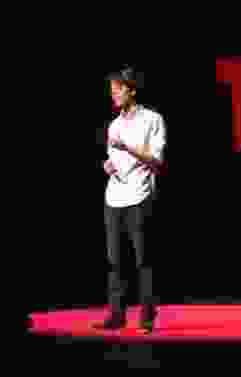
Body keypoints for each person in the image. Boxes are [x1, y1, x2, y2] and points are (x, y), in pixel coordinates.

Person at [93, 66, 166, 333]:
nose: (113, 93)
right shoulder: (113, 125)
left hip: (140, 196)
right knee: (114, 261)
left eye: (119, 88)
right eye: (111, 89)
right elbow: (115, 159)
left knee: (143, 259)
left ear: (132, 90)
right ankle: (116, 315)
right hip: (113, 197)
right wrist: (107, 166)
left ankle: (147, 316)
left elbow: (157, 159)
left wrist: (128, 148)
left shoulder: (153, 120)